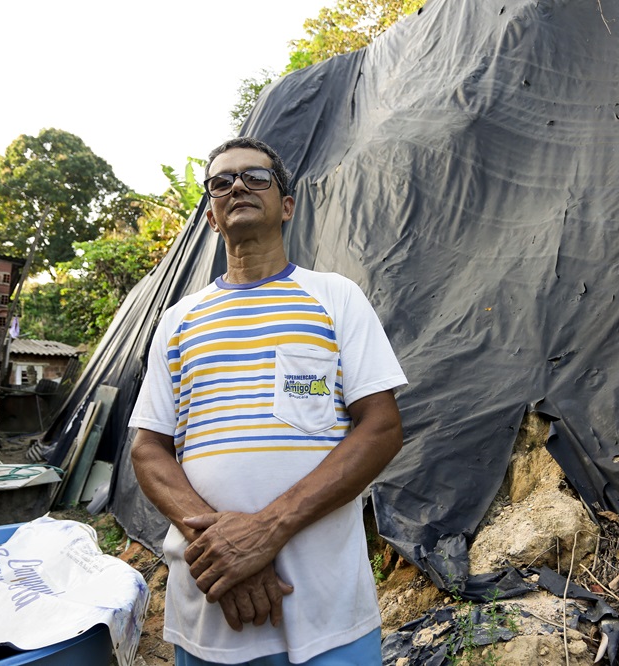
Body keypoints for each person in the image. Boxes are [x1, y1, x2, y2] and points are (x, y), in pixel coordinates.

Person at [128, 137, 407, 666]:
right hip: (213, 607)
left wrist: (266, 530)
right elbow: (148, 450)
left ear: (287, 206)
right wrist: (226, 548)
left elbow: (381, 428)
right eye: (221, 181)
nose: (237, 185)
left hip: (327, 610)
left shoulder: (335, 297)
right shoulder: (179, 320)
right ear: (212, 215)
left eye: (256, 177)